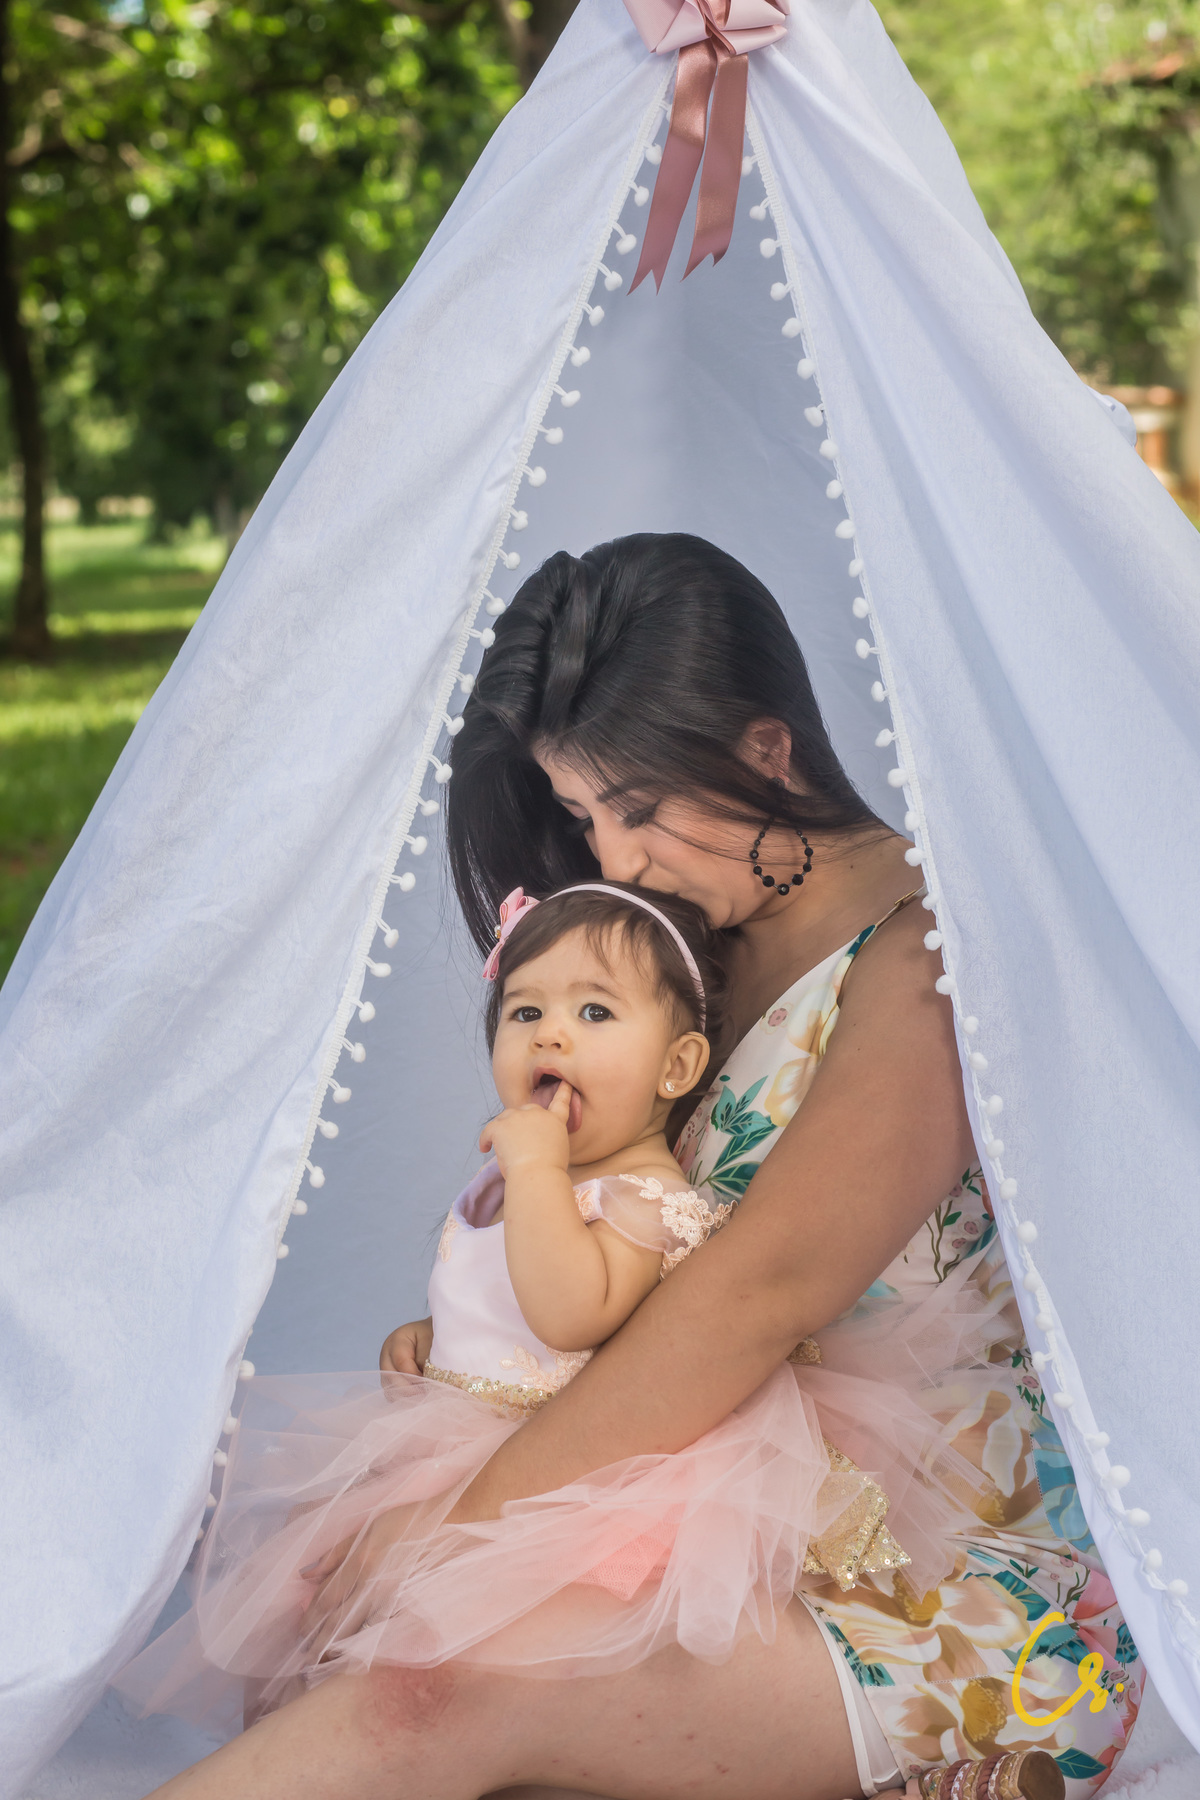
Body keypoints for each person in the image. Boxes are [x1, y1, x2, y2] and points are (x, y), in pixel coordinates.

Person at [136, 535, 1142, 1800]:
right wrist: (482, 1345)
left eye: (641, 808)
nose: (612, 861)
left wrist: (458, 1537)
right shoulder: (682, 962)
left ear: (767, 749)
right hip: (729, 1515)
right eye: (581, 814)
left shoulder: (922, 959)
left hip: (945, 1590)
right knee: (316, 1639)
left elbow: (754, 1295)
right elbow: (639, 1248)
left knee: (424, 1679)